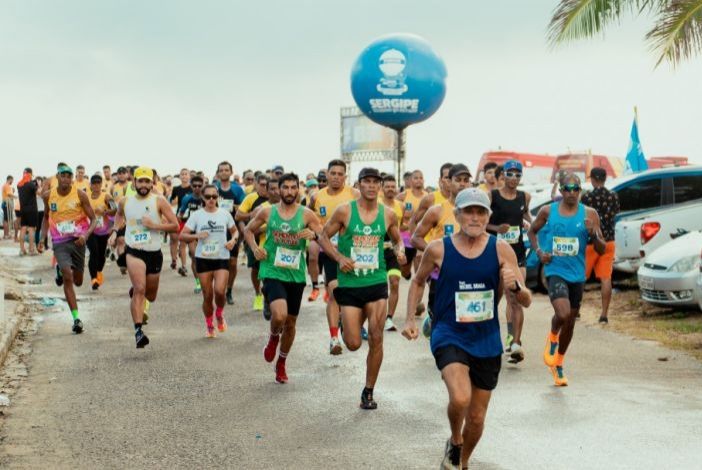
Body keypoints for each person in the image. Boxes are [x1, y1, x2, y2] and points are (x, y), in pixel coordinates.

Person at [402, 188, 532, 470]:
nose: (475, 217)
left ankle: (462, 460)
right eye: (469, 211)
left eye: (481, 212)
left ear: (488, 216)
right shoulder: (439, 248)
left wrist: (516, 286)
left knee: (476, 417)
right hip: (449, 332)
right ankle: (455, 439)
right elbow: (418, 281)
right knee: (460, 397)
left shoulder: (501, 249)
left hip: (486, 339)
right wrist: (410, 318)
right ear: (458, 214)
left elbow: (526, 299)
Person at [321, 167, 406, 409]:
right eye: (366, 182)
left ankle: (368, 391)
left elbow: (397, 239)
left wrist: (399, 252)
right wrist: (339, 258)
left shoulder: (388, 214)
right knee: (353, 343)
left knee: (377, 337)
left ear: (379, 186)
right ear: (359, 185)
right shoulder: (345, 211)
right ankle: (343, 321)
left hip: (376, 281)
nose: (371, 186)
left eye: (375, 182)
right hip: (350, 283)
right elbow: (323, 237)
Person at [244, 173, 325, 383]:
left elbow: (323, 234)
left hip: (295, 274)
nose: (289, 191)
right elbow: (248, 230)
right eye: (285, 187)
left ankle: (281, 362)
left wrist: (314, 235)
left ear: (298, 190)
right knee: (279, 316)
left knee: (290, 323)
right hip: (272, 269)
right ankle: (272, 338)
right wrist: (254, 248)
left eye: (293, 188)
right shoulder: (267, 212)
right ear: (278, 190)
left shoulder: (307, 214)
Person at [527, 173, 605, 386]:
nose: (571, 192)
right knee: (561, 314)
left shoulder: (589, 214)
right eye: (567, 188)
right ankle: (553, 336)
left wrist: (594, 235)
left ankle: (559, 363)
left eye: (575, 188)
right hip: (555, 271)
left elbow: (602, 248)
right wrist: (539, 252)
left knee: (570, 322)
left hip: (577, 275)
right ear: (561, 190)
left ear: (580, 190)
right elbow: (532, 232)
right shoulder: (547, 211)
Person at [115, 167, 178, 348]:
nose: (143, 185)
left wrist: (154, 225)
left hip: (154, 252)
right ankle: (138, 331)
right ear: (134, 182)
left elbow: (175, 226)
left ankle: (135, 291)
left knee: (151, 295)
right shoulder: (125, 201)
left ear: (152, 183)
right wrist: (114, 231)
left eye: (147, 181)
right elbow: (119, 216)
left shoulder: (159, 201)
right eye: (140, 181)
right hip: (134, 251)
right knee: (140, 288)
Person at [38, 165, 97, 334]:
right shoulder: (48, 196)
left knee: (78, 280)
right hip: (60, 242)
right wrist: (42, 238)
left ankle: (61, 270)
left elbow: (93, 219)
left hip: (78, 241)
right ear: (57, 177)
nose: (65, 179)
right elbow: (46, 217)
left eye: (68, 176)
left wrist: (85, 236)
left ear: (72, 178)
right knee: (67, 276)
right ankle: (76, 319)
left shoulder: (80, 195)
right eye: (62, 176)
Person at [308, 159, 360, 354]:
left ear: (345, 177)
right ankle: (333, 338)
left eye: (340, 174)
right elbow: (308, 218)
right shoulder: (316, 197)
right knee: (334, 290)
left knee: (351, 294)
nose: (337, 177)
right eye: (333, 173)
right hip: (329, 251)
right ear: (326, 175)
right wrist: (314, 234)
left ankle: (349, 323)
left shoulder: (354, 194)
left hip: (352, 252)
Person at [411, 164, 472, 319]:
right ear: (448, 182)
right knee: (439, 317)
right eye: (458, 180)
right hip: (440, 274)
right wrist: (436, 254)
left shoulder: (476, 212)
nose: (463, 183)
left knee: (466, 318)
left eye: (466, 180)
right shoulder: (437, 210)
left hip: (468, 273)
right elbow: (415, 238)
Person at [486, 159, 532, 363]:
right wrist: (497, 229)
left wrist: (529, 224)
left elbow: (526, 216)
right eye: (510, 174)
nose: (514, 178)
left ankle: (516, 342)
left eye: (518, 174)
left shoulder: (525, 196)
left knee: (516, 297)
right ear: (503, 175)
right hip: (494, 253)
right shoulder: (492, 196)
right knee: (492, 300)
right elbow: (481, 222)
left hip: (517, 254)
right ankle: (487, 337)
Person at [180, 184, 237, 337]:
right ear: (203, 198)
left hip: (221, 257)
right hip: (203, 258)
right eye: (207, 197)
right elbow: (182, 235)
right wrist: (196, 236)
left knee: (219, 292)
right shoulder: (197, 215)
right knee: (207, 296)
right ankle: (209, 324)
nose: (211, 200)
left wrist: (233, 240)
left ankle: (219, 313)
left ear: (218, 197)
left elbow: (235, 231)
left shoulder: (225, 214)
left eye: (214, 196)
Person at [581, 167, 620, 324]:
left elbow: (582, 217)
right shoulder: (613, 196)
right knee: (606, 278)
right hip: (609, 241)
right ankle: (604, 314)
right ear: (604, 179)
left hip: (591, 242)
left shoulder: (587, 197)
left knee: (581, 277)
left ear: (593, 179)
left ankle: (576, 310)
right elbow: (615, 213)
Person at [235, 174, 269, 310]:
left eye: (268, 185)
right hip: (253, 238)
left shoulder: (277, 199)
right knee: (256, 269)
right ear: (256, 184)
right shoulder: (251, 198)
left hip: (271, 240)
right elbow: (238, 215)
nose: (265, 188)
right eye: (262, 185)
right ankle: (258, 295)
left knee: (269, 271)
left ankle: (268, 295)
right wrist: (252, 215)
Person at [215, 161, 246, 305]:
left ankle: (229, 290)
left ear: (231, 172)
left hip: (232, 229)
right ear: (218, 173)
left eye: (226, 170)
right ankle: (218, 289)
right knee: (218, 262)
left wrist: (233, 206)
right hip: (215, 229)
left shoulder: (237, 190)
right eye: (221, 170)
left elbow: (243, 209)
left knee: (232, 263)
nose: (224, 172)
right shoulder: (214, 188)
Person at [380, 175, 404, 331]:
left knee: (394, 282)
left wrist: (401, 250)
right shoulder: (377, 205)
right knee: (380, 286)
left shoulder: (400, 206)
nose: (390, 189)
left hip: (393, 251)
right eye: (387, 186)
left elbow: (402, 228)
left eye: (392, 186)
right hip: (376, 252)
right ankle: (376, 315)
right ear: (382, 188)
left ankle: (389, 318)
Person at [87, 174, 116, 290]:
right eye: (94, 183)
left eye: (98, 183)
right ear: (91, 185)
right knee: (93, 253)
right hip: (90, 230)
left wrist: (105, 211)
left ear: (101, 184)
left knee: (101, 256)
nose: (96, 186)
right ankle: (93, 278)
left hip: (103, 231)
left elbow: (115, 210)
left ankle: (99, 272)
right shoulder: (86, 196)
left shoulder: (106, 196)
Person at [178, 175, 206, 293]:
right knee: (194, 255)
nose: (197, 188)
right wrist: (183, 225)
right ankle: (198, 282)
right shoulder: (187, 199)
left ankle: (207, 279)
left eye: (200, 186)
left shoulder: (207, 197)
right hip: (192, 231)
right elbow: (180, 214)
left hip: (206, 230)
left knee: (205, 257)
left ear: (203, 186)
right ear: (191, 186)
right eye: (194, 186)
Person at [169, 168, 192, 274]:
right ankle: (183, 266)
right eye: (182, 174)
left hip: (192, 218)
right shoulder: (176, 189)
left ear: (189, 176)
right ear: (180, 176)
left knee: (191, 245)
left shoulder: (193, 188)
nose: (184, 176)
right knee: (182, 243)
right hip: (180, 217)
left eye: (186, 174)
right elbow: (171, 201)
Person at [110, 166, 130, 275]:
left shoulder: (131, 186)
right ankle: (122, 263)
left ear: (127, 174)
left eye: (124, 173)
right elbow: (111, 203)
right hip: (119, 218)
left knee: (128, 242)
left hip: (131, 218)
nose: (121, 175)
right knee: (120, 240)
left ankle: (128, 259)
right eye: (120, 173)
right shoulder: (113, 188)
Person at [17, 168, 39, 256]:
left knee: (23, 229)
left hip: (23, 209)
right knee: (31, 229)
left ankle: (22, 250)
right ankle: (31, 250)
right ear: (30, 174)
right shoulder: (31, 184)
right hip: (32, 210)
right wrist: (38, 185)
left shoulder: (19, 185)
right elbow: (39, 192)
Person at [2, 175, 15, 240]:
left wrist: (12, 191)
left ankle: (6, 234)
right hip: (6, 204)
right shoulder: (7, 186)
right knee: (6, 220)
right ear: (10, 179)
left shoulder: (6, 186)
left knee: (6, 219)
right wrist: (16, 196)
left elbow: (9, 194)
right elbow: (9, 194)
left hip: (5, 203)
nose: (12, 182)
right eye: (12, 180)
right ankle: (6, 235)